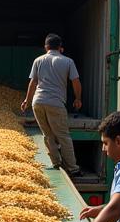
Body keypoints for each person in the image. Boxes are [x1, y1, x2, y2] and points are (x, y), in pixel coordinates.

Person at [21, 33, 82, 176]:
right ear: (60, 47)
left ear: (46, 47)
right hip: (56, 103)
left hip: (38, 102)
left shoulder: (38, 60)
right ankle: (73, 168)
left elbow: (33, 82)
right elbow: (75, 81)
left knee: (47, 134)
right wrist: (78, 98)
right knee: (63, 136)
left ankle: (56, 162)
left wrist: (27, 101)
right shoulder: (67, 61)